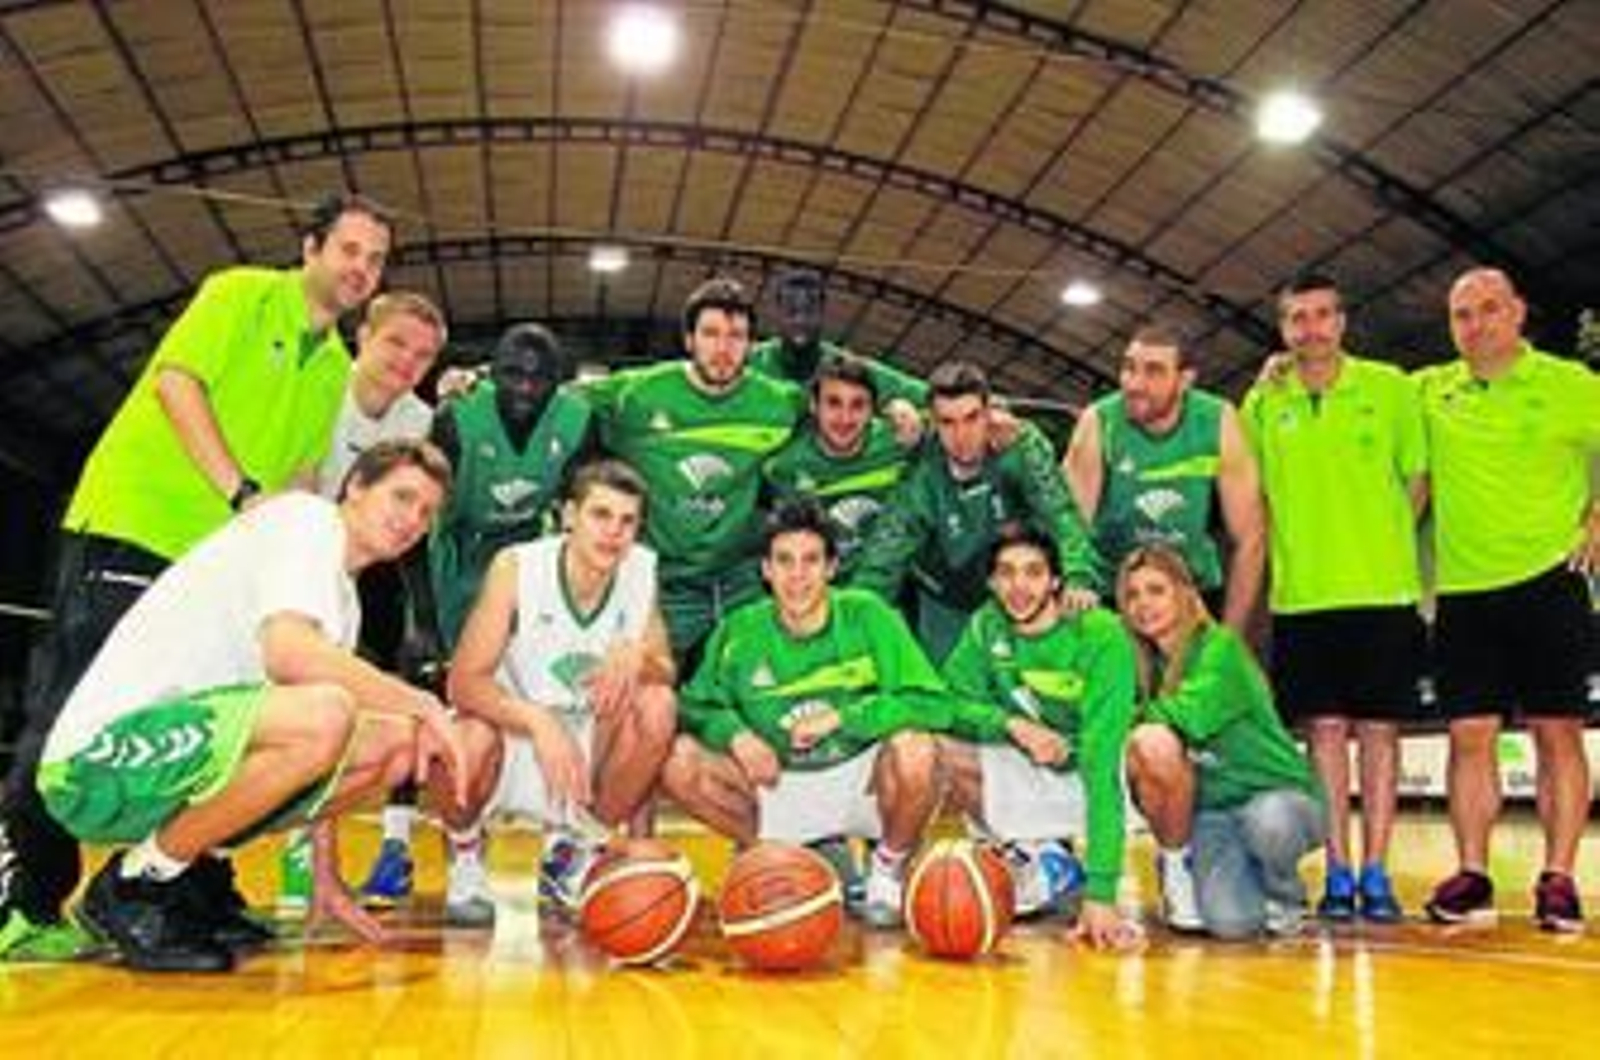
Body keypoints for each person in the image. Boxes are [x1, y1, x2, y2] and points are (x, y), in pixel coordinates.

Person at [0, 191, 394, 960]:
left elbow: (305, 472)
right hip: (132, 528)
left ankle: (175, 889)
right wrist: (242, 496)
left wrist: (296, 549)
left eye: (377, 260)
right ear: (310, 248)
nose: (362, 270)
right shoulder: (239, 293)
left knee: (204, 722)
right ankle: (31, 904)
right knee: (63, 715)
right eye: (350, 250)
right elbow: (175, 385)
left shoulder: (335, 366)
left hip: (211, 573)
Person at [33, 440, 465, 972]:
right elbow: (288, 655)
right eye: (401, 497)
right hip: (95, 766)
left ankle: (192, 868)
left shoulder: (341, 598)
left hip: (176, 762)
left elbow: (322, 745)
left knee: (396, 743)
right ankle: (136, 883)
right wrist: (424, 701)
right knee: (334, 713)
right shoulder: (307, 522)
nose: (412, 520)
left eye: (426, 513)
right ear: (354, 486)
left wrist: (326, 879)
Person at [659, 499, 946, 928]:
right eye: (785, 561)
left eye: (811, 561)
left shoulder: (869, 615)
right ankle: (784, 851)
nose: (797, 576)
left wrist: (843, 718)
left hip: (859, 783)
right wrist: (737, 734)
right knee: (677, 760)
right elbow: (695, 705)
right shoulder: (739, 630)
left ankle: (887, 867)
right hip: (780, 782)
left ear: (831, 568)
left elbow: (934, 704)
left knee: (918, 750)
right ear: (766, 570)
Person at [1415, 267, 1599, 932]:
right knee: (1470, 738)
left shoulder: (1573, 385)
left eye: (1490, 309)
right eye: (1462, 314)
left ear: (1519, 313)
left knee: (1558, 734)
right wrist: (1279, 371)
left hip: (1550, 580)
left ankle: (1559, 879)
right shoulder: (1430, 390)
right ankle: (1473, 876)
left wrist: (1599, 518)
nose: (1476, 324)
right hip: (1463, 594)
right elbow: (1354, 390)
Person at [1240, 273, 1427, 924]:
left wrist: (1378, 543)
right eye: (1297, 318)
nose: (1311, 329)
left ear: (1342, 322)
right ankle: (1338, 871)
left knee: (1380, 735)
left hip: (1382, 594)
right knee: (1323, 735)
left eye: (1322, 315)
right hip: (1303, 599)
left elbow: (1418, 482)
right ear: (1283, 329)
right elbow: (1252, 499)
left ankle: (1377, 871)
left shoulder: (1390, 388)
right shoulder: (1263, 403)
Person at [442, 460, 678, 923]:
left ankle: (575, 848)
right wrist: (536, 720)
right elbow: (463, 682)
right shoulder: (517, 567)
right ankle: (466, 850)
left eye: (627, 521)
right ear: (570, 515)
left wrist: (641, 659)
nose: (614, 532)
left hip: (588, 745)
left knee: (657, 705)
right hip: (513, 737)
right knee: (465, 738)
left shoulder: (640, 571)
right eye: (601, 515)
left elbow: (666, 671)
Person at [278, 291, 448, 912]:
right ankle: (290, 844)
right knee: (299, 704)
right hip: (300, 560)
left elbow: (412, 520)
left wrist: (423, 616)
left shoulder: (418, 420)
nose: (408, 361)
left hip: (370, 569)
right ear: (362, 338)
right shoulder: (320, 394)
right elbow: (291, 488)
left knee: (391, 699)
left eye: (424, 354)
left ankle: (396, 845)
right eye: (397, 343)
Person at [574, 277, 807, 665]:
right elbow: (550, 392)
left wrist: (903, 407)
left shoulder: (778, 401)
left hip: (738, 579)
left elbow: (847, 393)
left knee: (761, 679)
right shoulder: (638, 392)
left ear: (752, 344)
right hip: (662, 580)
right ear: (689, 339)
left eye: (736, 336)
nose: (723, 349)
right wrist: (474, 379)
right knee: (655, 694)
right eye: (711, 333)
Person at [939, 528, 1142, 948]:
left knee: (1156, 750)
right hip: (1031, 763)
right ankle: (1035, 852)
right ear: (992, 583)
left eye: (1033, 573)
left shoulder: (1099, 633)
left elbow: (1102, 762)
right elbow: (947, 705)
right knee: (935, 750)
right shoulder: (985, 627)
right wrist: (1012, 726)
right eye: (1007, 574)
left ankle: (1177, 863)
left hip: (1100, 774)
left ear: (1055, 581)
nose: (1019, 587)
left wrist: (1102, 894)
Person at [1119, 545, 1325, 940]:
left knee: (1269, 824)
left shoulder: (1221, 648)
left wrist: (1123, 723)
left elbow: (1186, 717)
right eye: (1133, 595)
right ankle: (1187, 866)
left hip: (1279, 797)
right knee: (1231, 924)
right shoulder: (1141, 665)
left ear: (1185, 592)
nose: (1144, 603)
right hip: (1214, 814)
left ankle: (1286, 894)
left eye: (1156, 590)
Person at [851, 359, 1099, 661]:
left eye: (971, 418)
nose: (961, 435)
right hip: (945, 601)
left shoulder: (1020, 446)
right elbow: (885, 554)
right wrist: (854, 618)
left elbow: (1059, 512)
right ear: (933, 422)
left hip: (1017, 594)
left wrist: (1078, 575)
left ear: (989, 413)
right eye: (948, 422)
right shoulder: (922, 475)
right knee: (948, 694)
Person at [1062, 325, 1265, 628]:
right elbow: (1070, 524)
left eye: (1153, 371)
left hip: (1193, 590)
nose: (1135, 384)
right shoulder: (1099, 421)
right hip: (1114, 591)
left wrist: (1229, 639)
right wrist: (1076, 582)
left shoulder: (1217, 420)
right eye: (1129, 368)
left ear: (1185, 380)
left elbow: (1250, 536)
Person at [763, 353, 914, 579]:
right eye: (833, 403)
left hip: (887, 587)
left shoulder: (900, 442)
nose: (845, 418)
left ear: (874, 409)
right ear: (814, 406)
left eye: (858, 405)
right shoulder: (785, 467)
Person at [749, 267, 926, 445]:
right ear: (777, 313)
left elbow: (932, 397)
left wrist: (900, 405)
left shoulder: (847, 367)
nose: (800, 320)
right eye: (792, 312)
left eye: (810, 311)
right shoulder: (747, 363)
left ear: (823, 313)